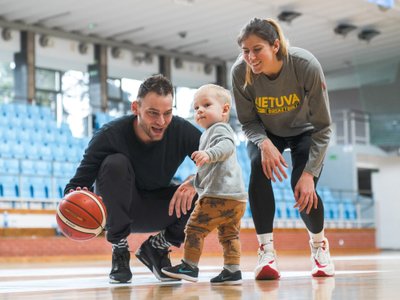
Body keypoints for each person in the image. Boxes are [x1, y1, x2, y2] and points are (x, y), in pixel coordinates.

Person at [64, 74, 201, 284]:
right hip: (120, 208)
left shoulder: (181, 130)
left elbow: (220, 162)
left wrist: (196, 179)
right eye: (153, 113)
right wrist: (77, 207)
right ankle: (119, 249)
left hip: (158, 208)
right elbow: (76, 185)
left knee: (204, 186)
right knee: (114, 163)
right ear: (135, 108)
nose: (161, 122)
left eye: (167, 113)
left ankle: (156, 248)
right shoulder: (109, 135)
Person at [231, 18, 335, 279]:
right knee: (257, 167)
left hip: (306, 131)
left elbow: (323, 126)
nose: (250, 57)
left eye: (257, 49)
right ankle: (266, 252)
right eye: (245, 51)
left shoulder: (305, 65)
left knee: (301, 186)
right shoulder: (239, 72)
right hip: (266, 132)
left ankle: (319, 246)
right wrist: (264, 143)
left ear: (275, 45)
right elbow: (248, 121)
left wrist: (310, 173)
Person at [161, 84, 248, 284]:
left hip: (218, 196)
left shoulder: (219, 130)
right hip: (237, 199)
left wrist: (208, 154)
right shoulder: (210, 133)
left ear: (225, 109)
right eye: (196, 107)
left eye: (206, 105)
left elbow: (226, 147)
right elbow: (208, 171)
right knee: (229, 235)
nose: (199, 110)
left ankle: (189, 266)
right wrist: (194, 183)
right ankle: (232, 270)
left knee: (194, 229)